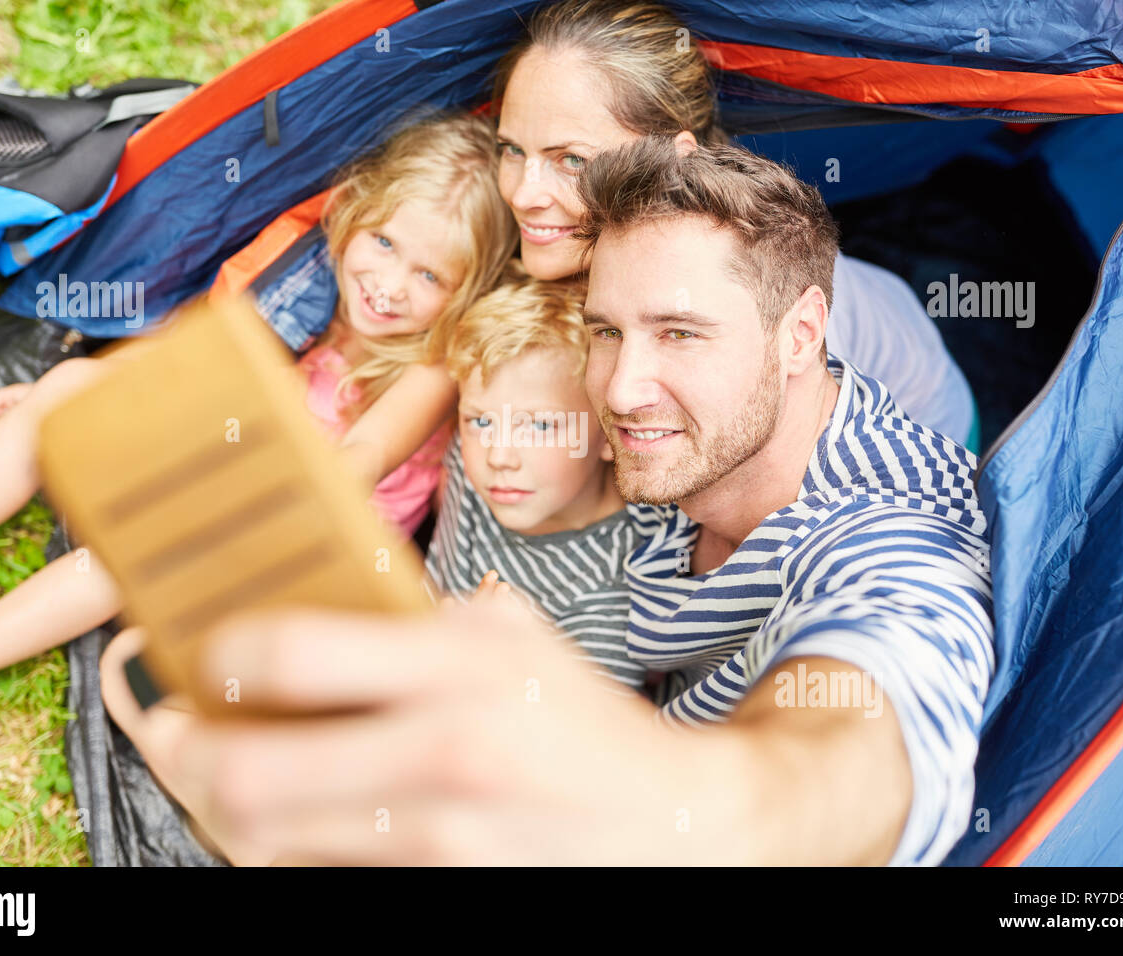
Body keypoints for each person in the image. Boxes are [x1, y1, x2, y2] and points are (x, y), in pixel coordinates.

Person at [99, 136, 995, 867]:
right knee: (153, 685)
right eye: (609, 331)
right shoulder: (641, 439)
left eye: (681, 332)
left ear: (800, 333)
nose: (628, 386)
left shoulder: (895, 524)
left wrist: (710, 813)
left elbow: (878, 707)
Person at [0, 110, 517, 730]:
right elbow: (196, 357)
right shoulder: (309, 284)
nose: (390, 284)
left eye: (429, 275)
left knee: (155, 544)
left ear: (466, 293)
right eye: (384, 242)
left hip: (283, 548)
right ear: (352, 209)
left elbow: (359, 460)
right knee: (72, 385)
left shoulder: (434, 364)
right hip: (226, 461)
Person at [491, 0, 976, 444]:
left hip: (926, 434)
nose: (521, 192)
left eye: (572, 160)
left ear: (676, 160)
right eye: (512, 149)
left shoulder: (750, 300)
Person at [427, 261, 655, 692]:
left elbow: (578, 747)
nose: (499, 456)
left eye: (541, 426)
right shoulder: (472, 461)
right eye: (480, 421)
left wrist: (477, 661)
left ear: (612, 435)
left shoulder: (612, 598)